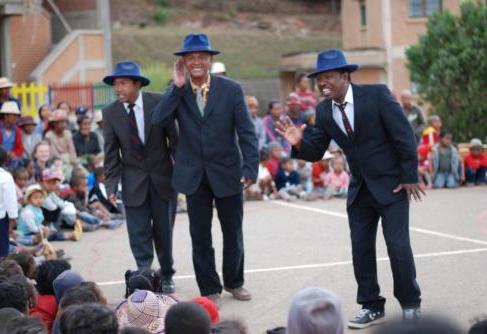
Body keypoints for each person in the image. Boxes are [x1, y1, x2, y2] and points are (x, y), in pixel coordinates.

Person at [276, 49, 423, 328]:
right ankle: (371, 305)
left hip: (392, 186)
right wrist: (297, 143)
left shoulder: (377, 95)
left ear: (345, 76)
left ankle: (411, 305)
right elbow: (316, 149)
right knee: (361, 249)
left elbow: (404, 135)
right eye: (319, 78)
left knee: (397, 246)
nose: (322, 83)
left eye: (328, 76)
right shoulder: (323, 110)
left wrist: (409, 176)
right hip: (359, 190)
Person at [152, 33, 259, 304]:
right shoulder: (177, 90)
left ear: (210, 60)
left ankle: (235, 282)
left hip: (228, 171)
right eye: (191, 58)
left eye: (201, 57)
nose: (196, 62)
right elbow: (158, 120)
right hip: (193, 175)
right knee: (199, 235)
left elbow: (247, 132)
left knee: (232, 232)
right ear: (184, 62)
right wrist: (176, 87)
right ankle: (209, 288)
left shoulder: (231, 89)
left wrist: (250, 167)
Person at [103, 61, 178, 292]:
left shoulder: (158, 103)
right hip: (132, 181)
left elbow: (174, 141)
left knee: (164, 232)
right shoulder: (110, 112)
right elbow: (111, 153)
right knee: (138, 232)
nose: (118, 89)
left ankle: (166, 274)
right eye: (116, 84)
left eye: (123, 83)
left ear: (137, 84)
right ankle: (145, 275)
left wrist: (183, 174)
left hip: (163, 179)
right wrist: (111, 186)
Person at [0, 101, 24, 167]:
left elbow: (20, 148)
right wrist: (5, 154)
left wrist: (13, 154)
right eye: (13, 115)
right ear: (6, 115)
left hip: (12, 160)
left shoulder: (17, 130)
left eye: (17, 115)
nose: (16, 117)